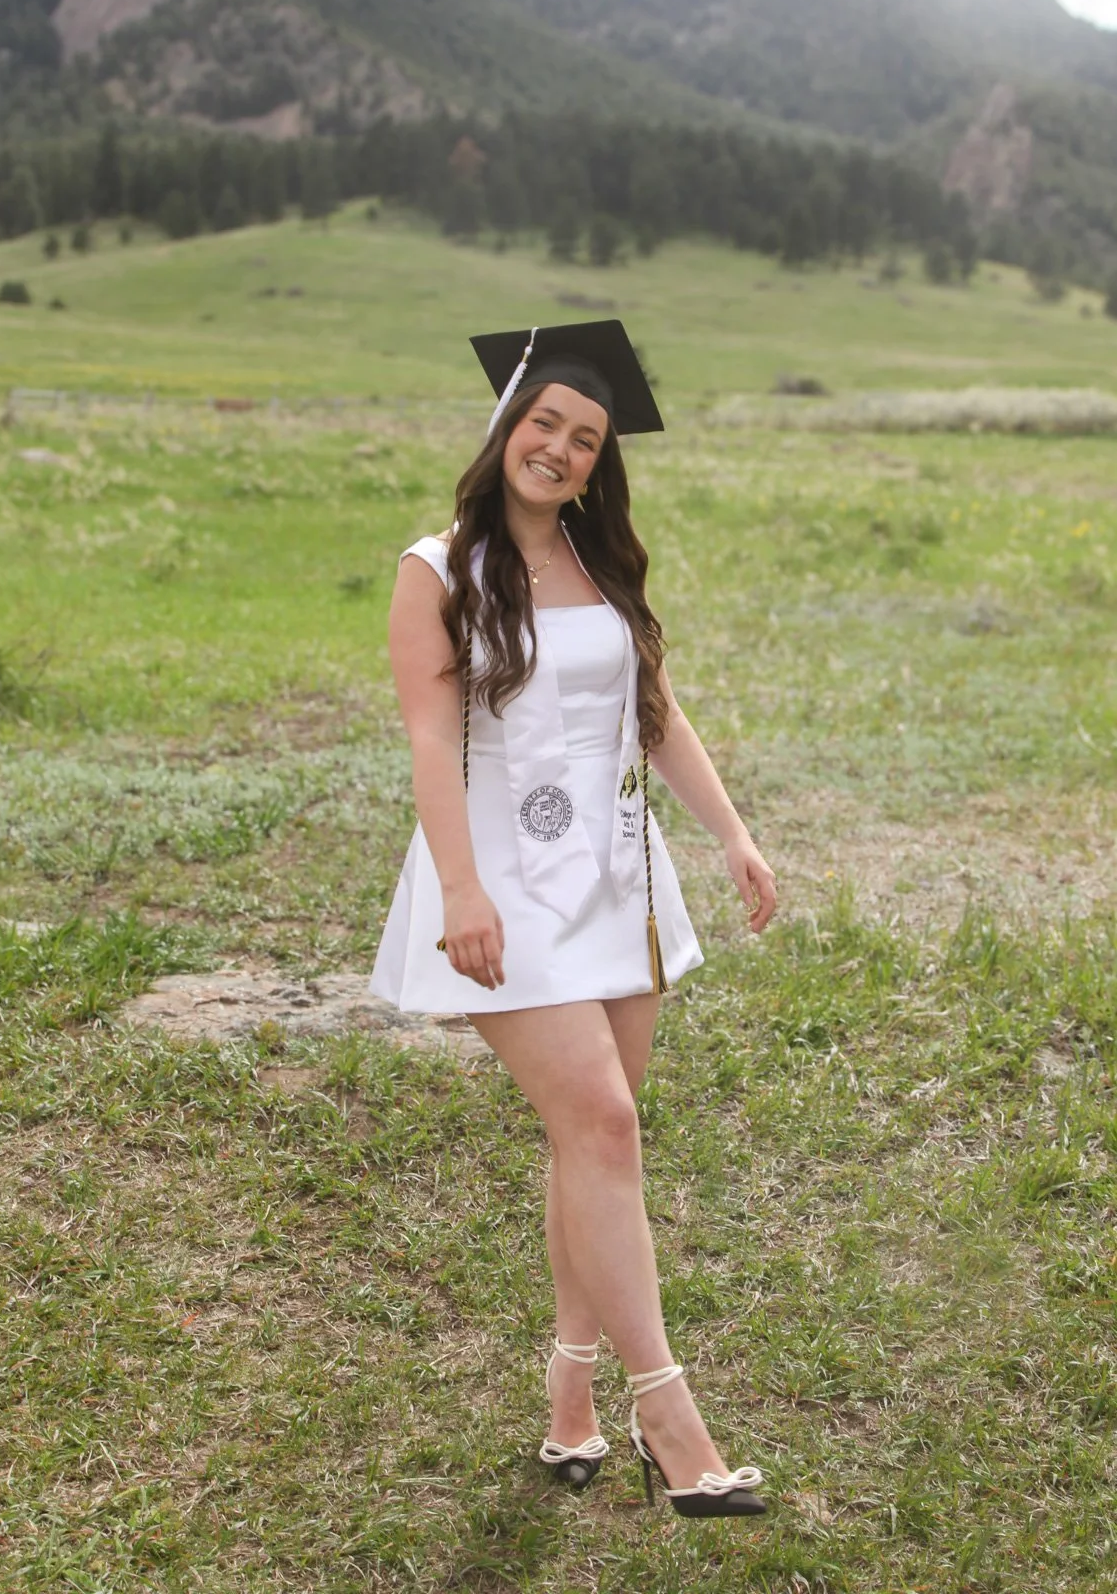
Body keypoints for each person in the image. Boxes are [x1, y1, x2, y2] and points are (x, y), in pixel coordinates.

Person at [370, 320, 778, 1519]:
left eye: (582, 435)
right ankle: (670, 1415)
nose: (557, 446)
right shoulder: (437, 567)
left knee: (590, 1139)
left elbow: (654, 710)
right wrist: (458, 889)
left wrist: (733, 833)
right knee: (597, 1118)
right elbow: (429, 737)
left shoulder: (600, 568)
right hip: (501, 883)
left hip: (615, 876)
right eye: (542, 421)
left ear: (598, 462)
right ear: (505, 426)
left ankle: (568, 1398)